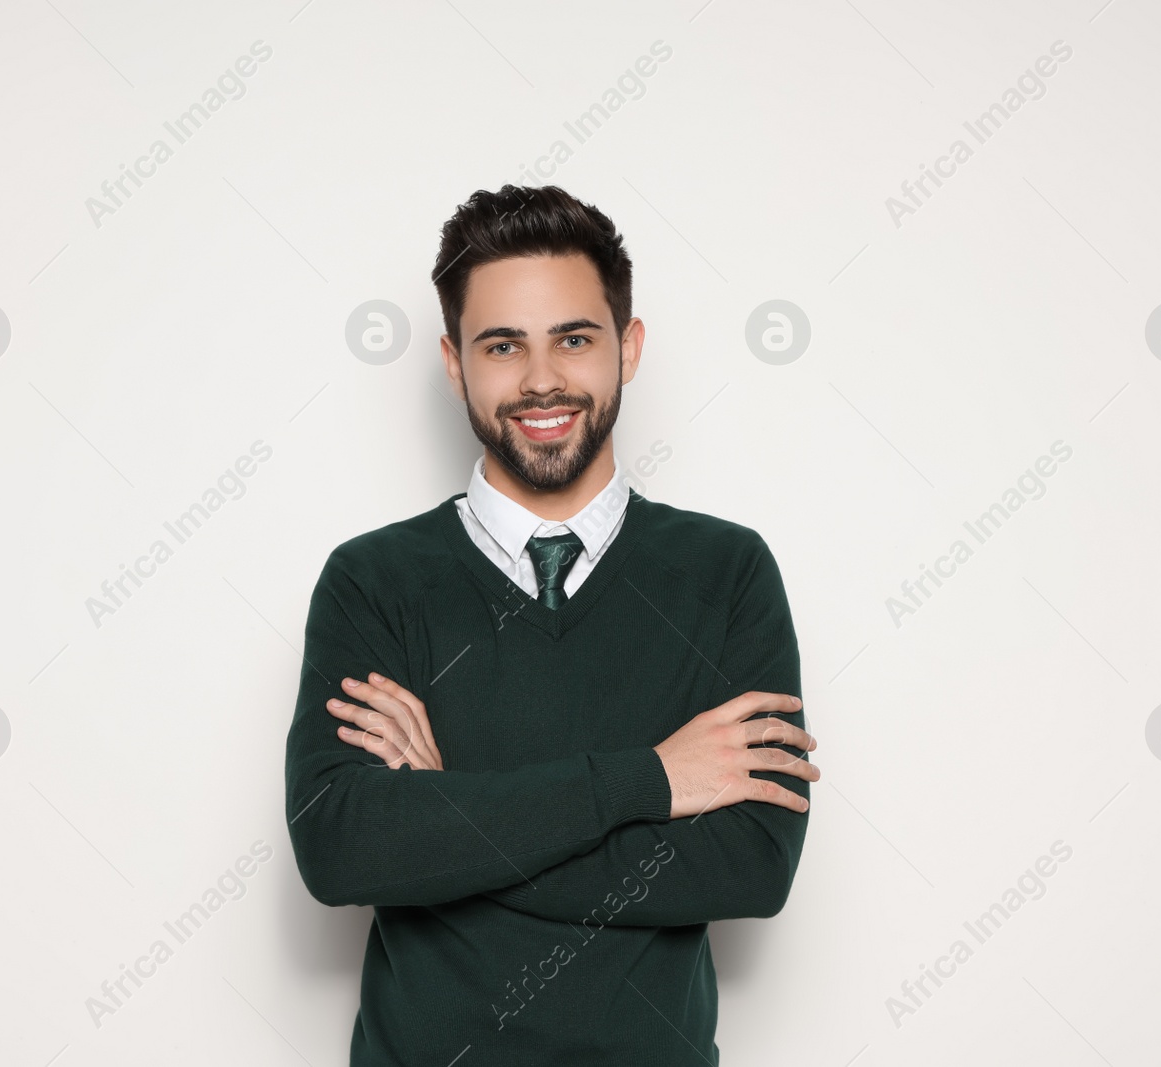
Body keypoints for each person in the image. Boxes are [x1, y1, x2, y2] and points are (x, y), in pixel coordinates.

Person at [284, 183, 819, 1066]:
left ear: (629, 348)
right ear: (456, 363)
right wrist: (650, 781)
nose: (542, 379)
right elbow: (343, 850)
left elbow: (754, 863)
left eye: (574, 338)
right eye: (504, 345)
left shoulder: (726, 574)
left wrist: (446, 816)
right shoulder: (373, 581)